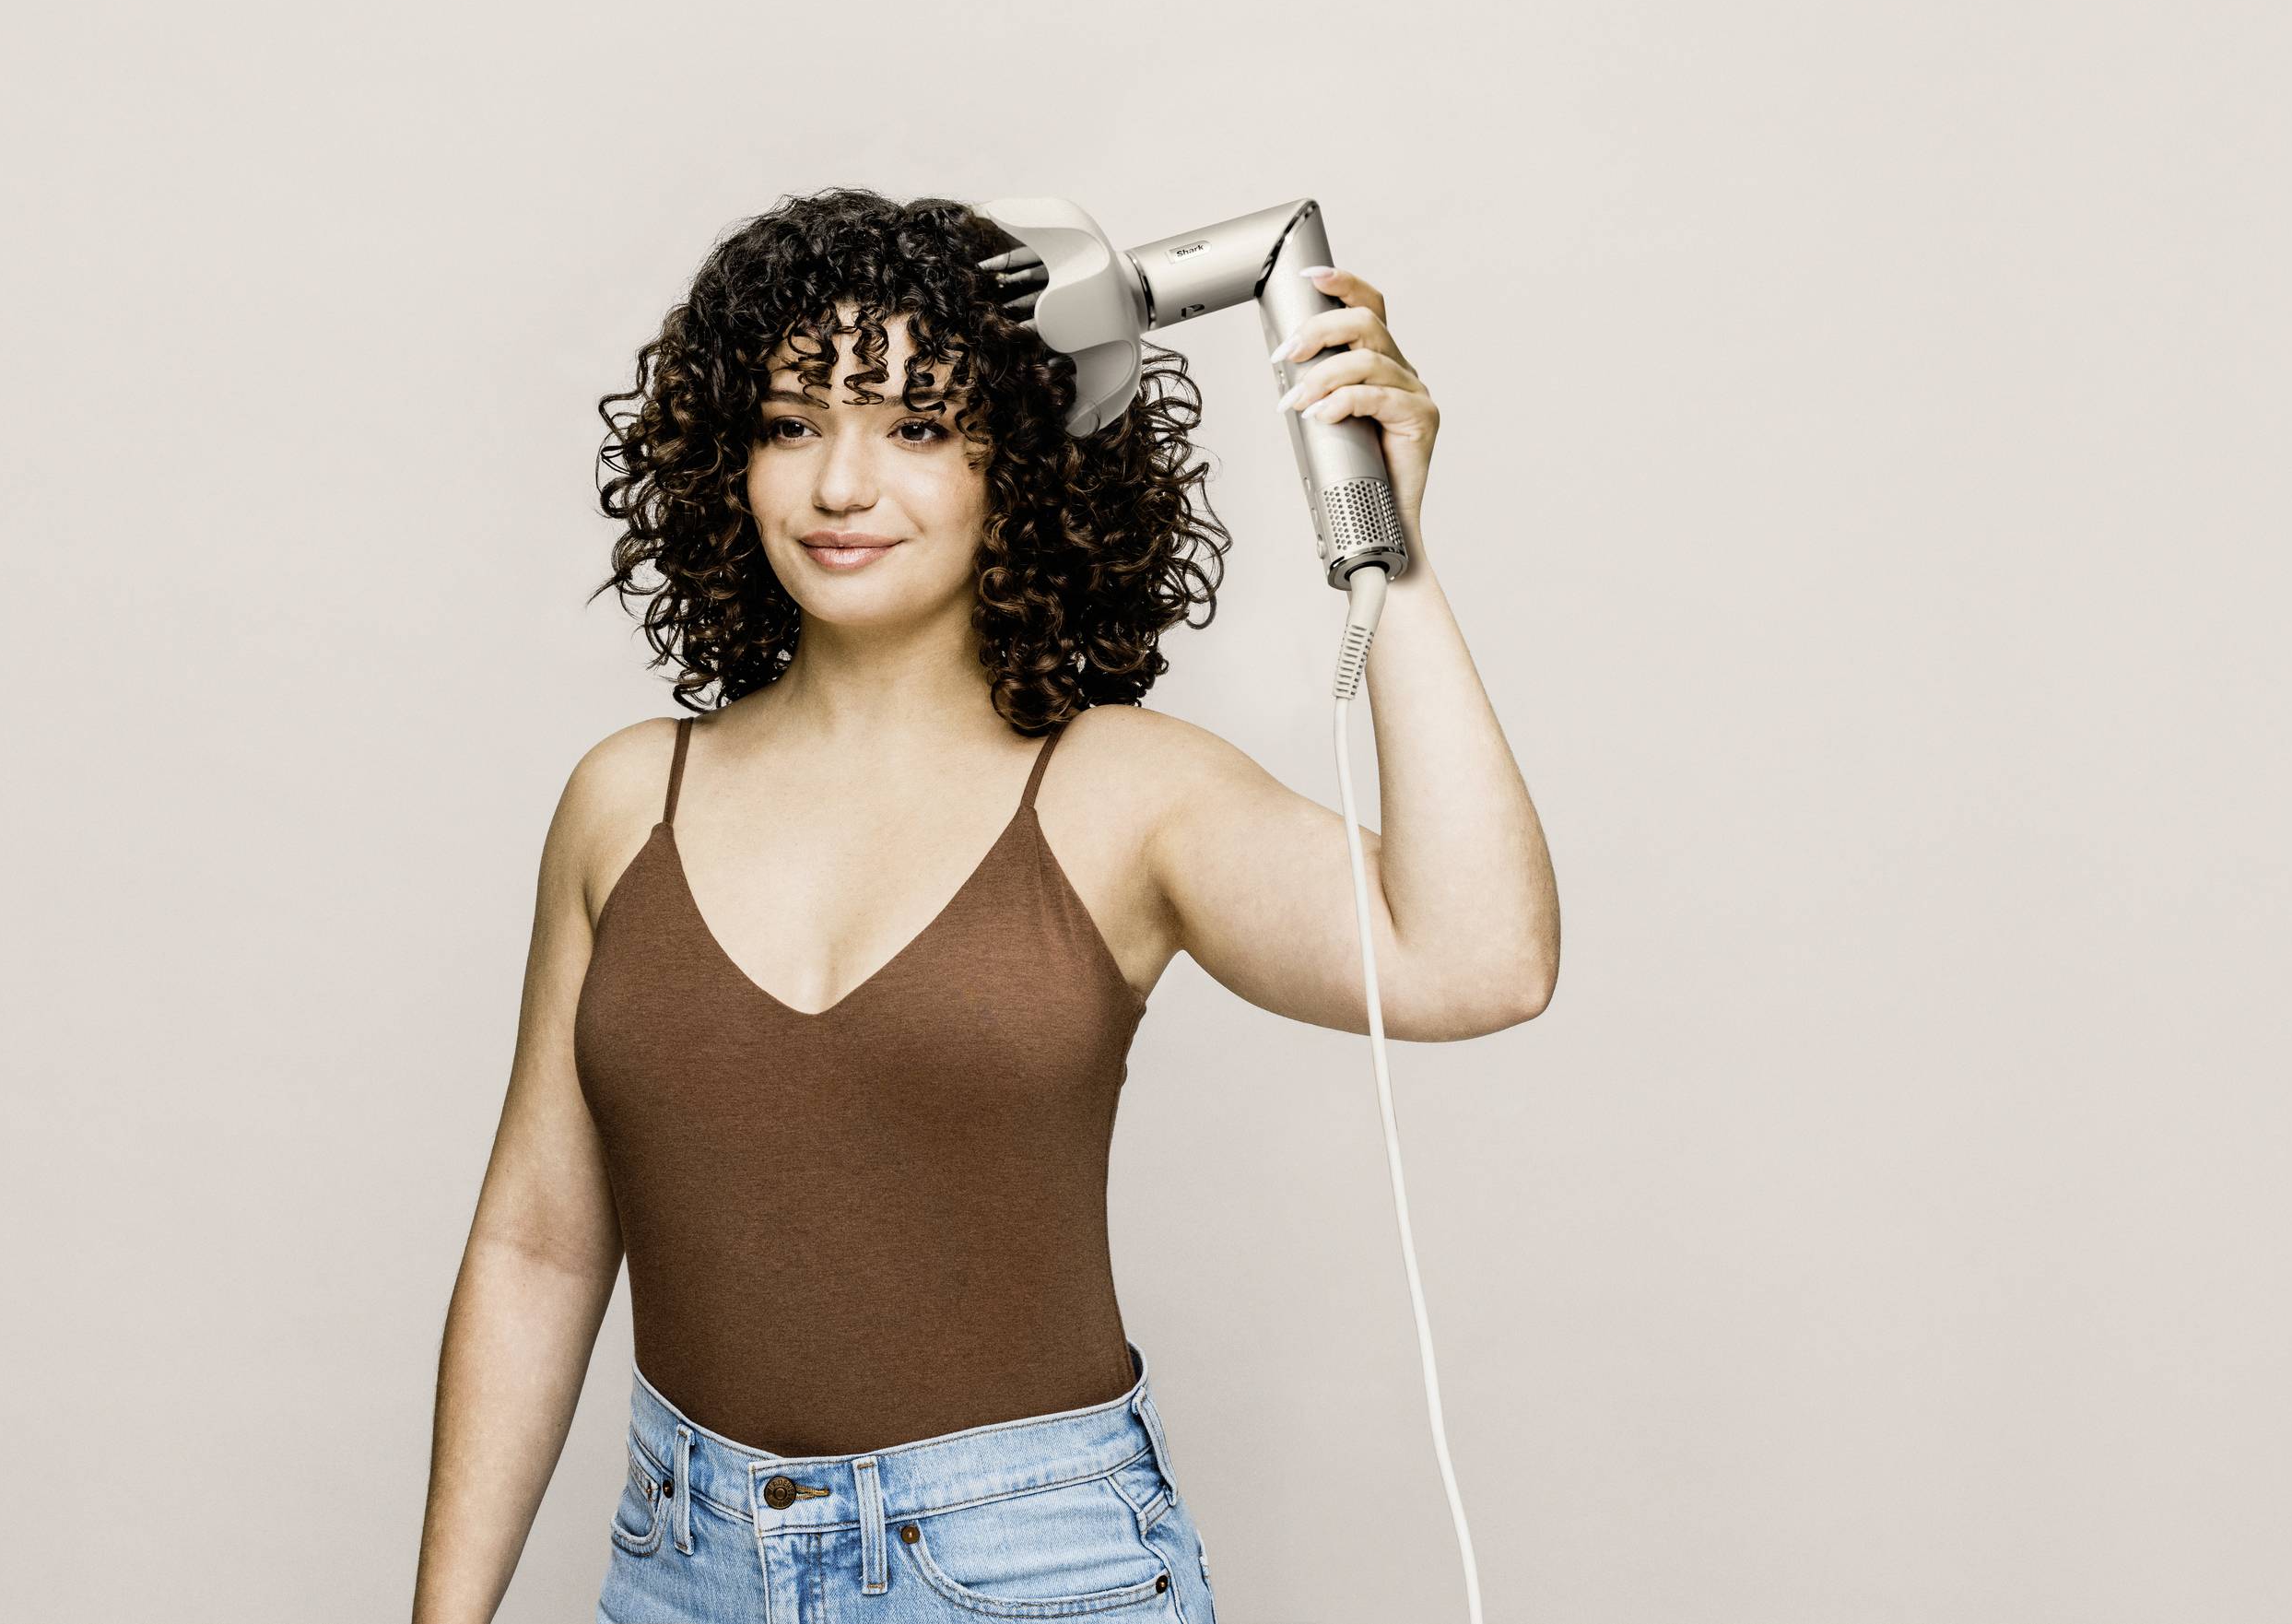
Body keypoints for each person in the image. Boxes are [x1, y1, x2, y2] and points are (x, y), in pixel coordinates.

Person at [411, 187, 1558, 1623]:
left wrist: (1393, 539)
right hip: (683, 1568)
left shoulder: (1122, 793)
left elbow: (1480, 959)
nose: (840, 484)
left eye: (915, 425)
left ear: (1016, 455)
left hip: (1032, 1569)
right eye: (790, 422)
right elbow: (538, 1237)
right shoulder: (624, 801)